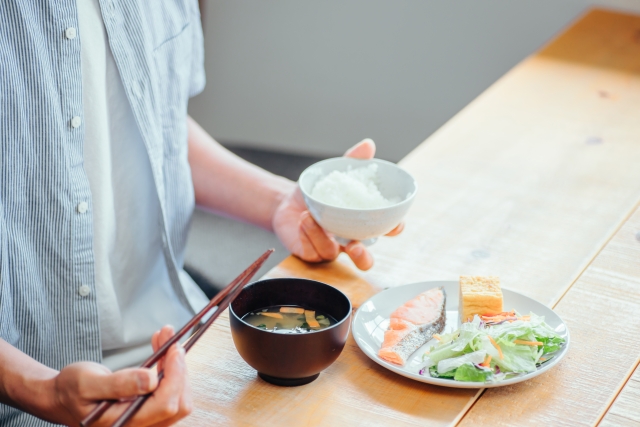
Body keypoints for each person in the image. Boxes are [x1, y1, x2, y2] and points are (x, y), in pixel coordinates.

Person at [0, 1, 402, 426]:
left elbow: (157, 126)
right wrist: (37, 388)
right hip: (24, 394)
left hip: (185, 339)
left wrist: (279, 201)